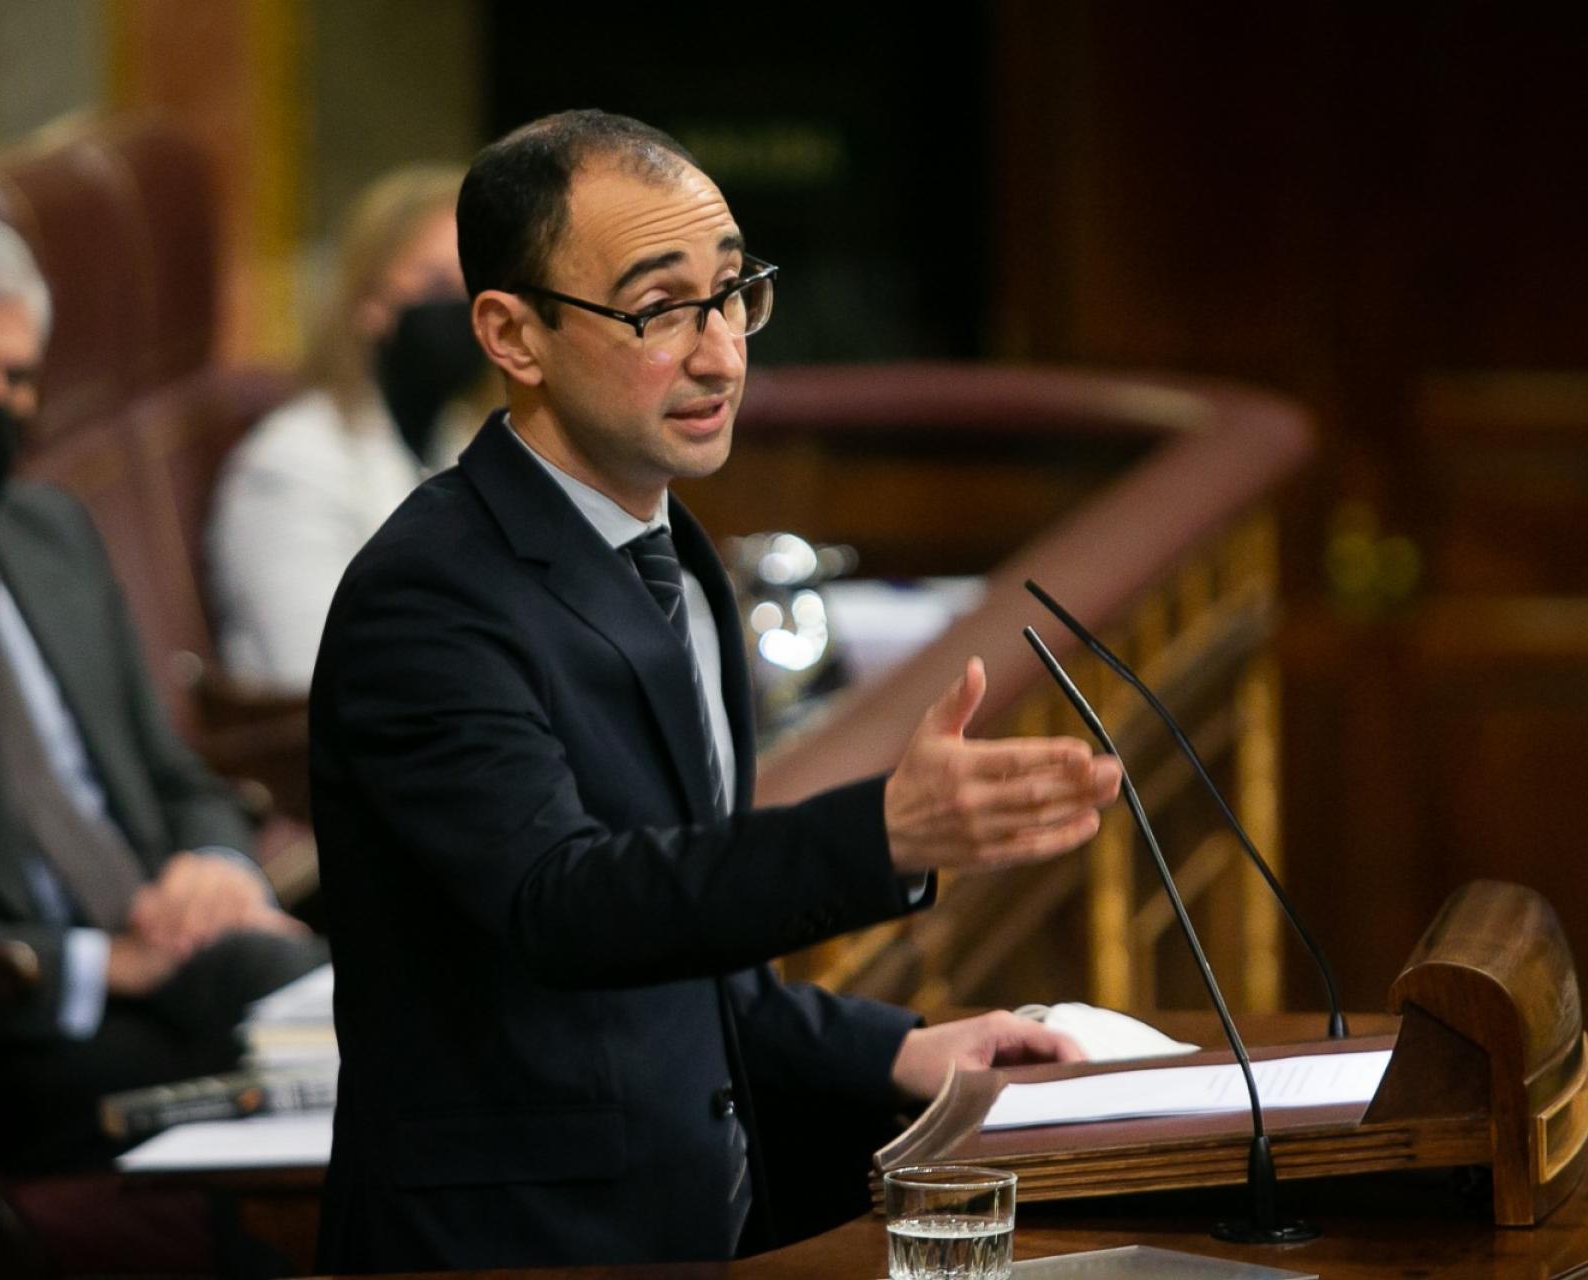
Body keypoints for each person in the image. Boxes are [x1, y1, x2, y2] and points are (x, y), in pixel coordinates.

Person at [309, 110, 1123, 1273]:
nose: (720, 352)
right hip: (512, 1242)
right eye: (658, 307)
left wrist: (901, 1047)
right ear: (512, 332)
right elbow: (563, 905)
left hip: (700, 1223)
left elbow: (693, 964)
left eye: (734, 292)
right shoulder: (429, 594)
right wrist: (876, 833)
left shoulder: (674, 552)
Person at [0, 195, 326, 1172]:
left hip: (178, 948)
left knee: (384, 1032)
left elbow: (177, 775)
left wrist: (216, 867)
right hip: (10, 1020)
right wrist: (92, 965)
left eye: (17, 378)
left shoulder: (46, 528)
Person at [207, 165, 499, 690]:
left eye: (475, 288)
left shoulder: (468, 439)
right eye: (437, 285)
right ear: (369, 305)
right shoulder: (292, 464)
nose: (463, 312)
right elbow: (316, 669)